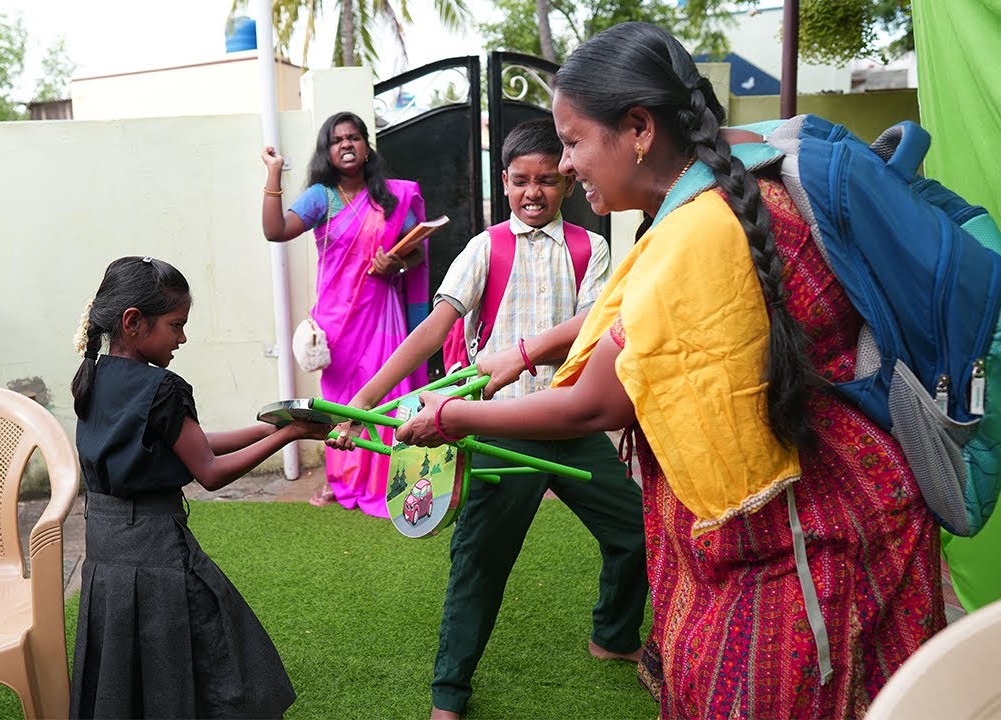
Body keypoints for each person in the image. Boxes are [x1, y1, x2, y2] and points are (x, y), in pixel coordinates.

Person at [395, 22, 944, 719]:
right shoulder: (718, 190)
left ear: (638, 129)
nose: (564, 167)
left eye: (571, 142)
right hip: (815, 516)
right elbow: (631, 333)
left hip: (805, 540)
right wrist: (526, 353)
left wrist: (449, 416)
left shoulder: (699, 231)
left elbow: (595, 404)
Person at [333, 118, 647, 719]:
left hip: (570, 422)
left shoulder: (592, 247)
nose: (535, 193)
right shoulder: (484, 247)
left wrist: (532, 358)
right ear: (504, 182)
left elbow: (591, 330)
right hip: (500, 431)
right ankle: (449, 694)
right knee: (479, 563)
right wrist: (367, 400)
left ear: (568, 183)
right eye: (523, 181)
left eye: (549, 181)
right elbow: (433, 328)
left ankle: (612, 635)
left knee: (634, 531)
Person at [68, 256, 332, 719]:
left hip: (106, 557)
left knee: (125, 680)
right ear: (134, 322)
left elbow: (191, 445)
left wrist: (271, 427)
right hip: (156, 555)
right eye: (176, 325)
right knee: (223, 664)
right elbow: (207, 470)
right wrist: (288, 436)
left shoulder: (93, 377)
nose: (182, 338)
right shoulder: (163, 388)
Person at [262, 111, 429, 516]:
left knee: (388, 395)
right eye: (337, 140)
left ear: (367, 146)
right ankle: (341, 481)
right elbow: (276, 231)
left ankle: (394, 479)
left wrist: (397, 264)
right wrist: (274, 174)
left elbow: (417, 250)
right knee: (340, 403)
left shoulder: (392, 197)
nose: (347, 145)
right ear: (328, 151)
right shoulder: (321, 197)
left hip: (383, 316)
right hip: (337, 324)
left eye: (354, 137)